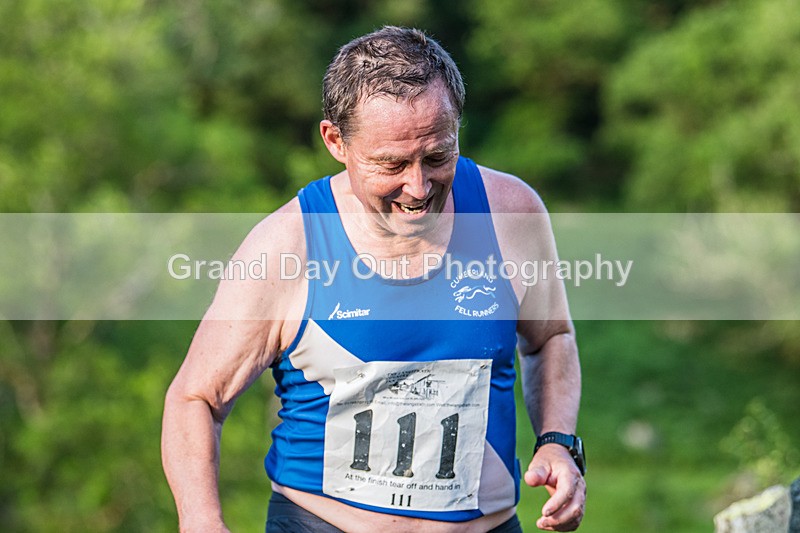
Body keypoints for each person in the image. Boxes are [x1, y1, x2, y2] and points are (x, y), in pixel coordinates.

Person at [162, 26, 585, 532]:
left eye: (436, 156)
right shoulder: (287, 245)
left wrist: (557, 441)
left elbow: (550, 338)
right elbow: (196, 398)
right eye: (391, 164)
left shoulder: (510, 214)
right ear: (335, 141)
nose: (418, 186)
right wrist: (201, 521)